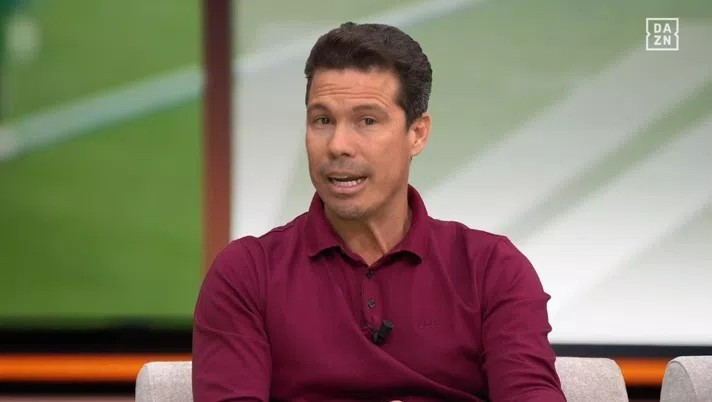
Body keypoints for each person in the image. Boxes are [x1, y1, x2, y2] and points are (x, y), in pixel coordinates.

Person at [193, 22, 565, 401]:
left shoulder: (491, 269)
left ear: (417, 134)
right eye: (323, 120)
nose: (338, 145)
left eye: (367, 121)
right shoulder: (247, 274)